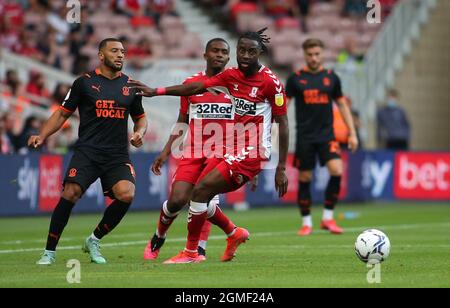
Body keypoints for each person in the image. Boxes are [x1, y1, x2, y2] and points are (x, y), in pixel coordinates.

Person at [130, 28, 289, 264]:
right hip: (219, 150)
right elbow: (194, 88)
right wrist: (157, 91)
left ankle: (194, 252)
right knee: (189, 196)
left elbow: (283, 124)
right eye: (241, 50)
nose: (245, 55)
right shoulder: (230, 77)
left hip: (249, 150)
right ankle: (231, 234)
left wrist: (281, 167)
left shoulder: (271, 83)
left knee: (202, 192)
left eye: (251, 51)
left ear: (260, 53)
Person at [29, 38, 148, 265]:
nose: (121, 55)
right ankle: (49, 252)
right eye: (114, 51)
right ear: (101, 56)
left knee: (127, 194)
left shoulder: (132, 86)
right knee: (70, 193)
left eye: (123, 51)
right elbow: (62, 113)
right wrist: (42, 135)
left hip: (117, 155)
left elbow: (140, 119)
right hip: (88, 151)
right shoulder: (84, 83)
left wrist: (139, 133)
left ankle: (94, 239)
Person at [143, 38, 233, 262]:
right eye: (215, 51)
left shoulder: (236, 88)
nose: (219, 55)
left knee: (205, 201)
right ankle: (158, 237)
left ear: (228, 58)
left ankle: (198, 249)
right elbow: (182, 121)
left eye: (223, 52)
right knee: (176, 200)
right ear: (205, 55)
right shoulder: (191, 85)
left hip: (220, 154)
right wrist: (165, 152)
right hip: (193, 151)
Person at [285, 38, 358, 236]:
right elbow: (283, 105)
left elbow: (342, 105)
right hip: (305, 137)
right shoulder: (295, 79)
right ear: (304, 55)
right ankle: (306, 222)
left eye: (317, 54)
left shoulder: (331, 78)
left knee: (337, 170)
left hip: (327, 135)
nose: (314, 58)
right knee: (305, 176)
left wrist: (352, 133)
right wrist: (274, 127)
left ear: (322, 54)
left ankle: (327, 218)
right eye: (310, 54)